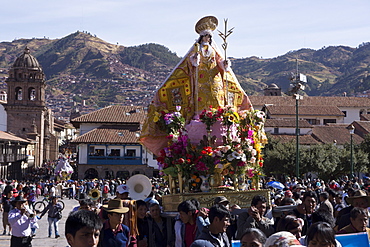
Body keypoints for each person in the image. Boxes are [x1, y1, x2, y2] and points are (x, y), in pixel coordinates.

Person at [140, 15, 253, 156]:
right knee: (200, 101)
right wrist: (194, 60)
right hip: (199, 83)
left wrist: (225, 65)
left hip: (215, 81)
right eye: (205, 36)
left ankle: (216, 115)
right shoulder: (196, 50)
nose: (207, 38)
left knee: (216, 100)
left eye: (208, 36)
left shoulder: (214, 50)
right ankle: (200, 115)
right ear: (201, 37)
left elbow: (221, 64)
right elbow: (188, 65)